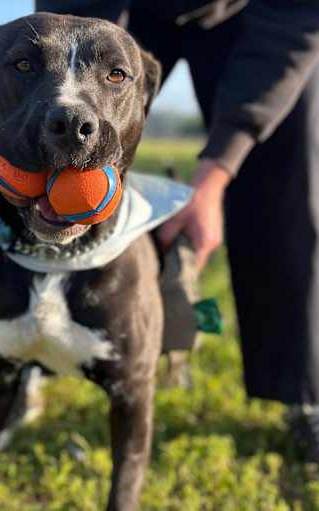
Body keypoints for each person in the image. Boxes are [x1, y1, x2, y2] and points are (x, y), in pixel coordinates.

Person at [33, 0, 319, 459]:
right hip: (116, 6)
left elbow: (297, 17)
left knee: (287, 172)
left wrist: (213, 180)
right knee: (61, 137)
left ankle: (302, 389)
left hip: (255, 14)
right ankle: (28, 351)